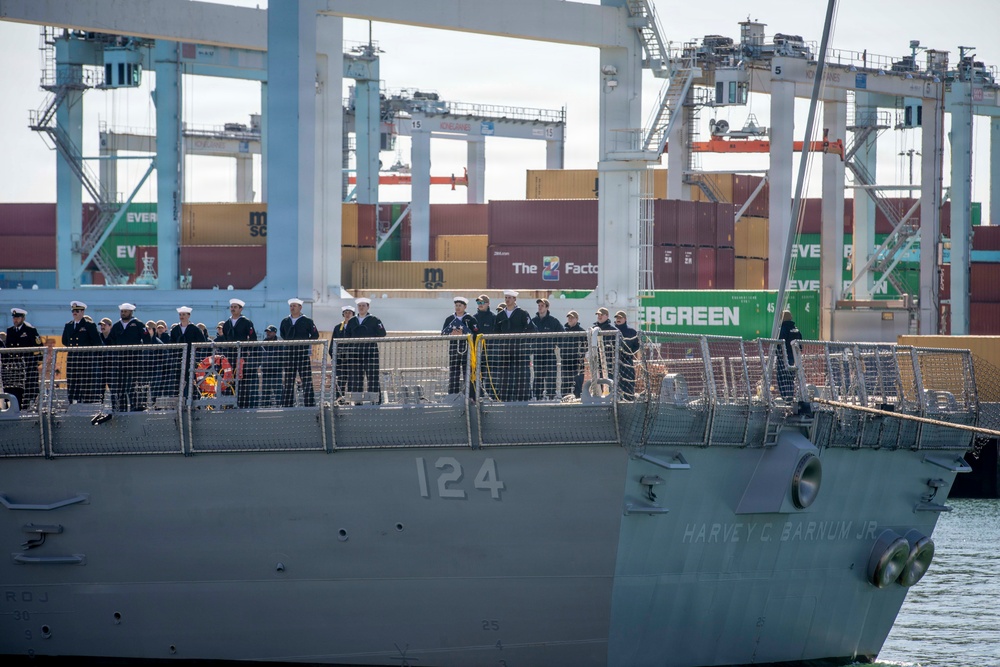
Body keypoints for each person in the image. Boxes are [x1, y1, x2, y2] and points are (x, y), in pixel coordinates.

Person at [107, 302, 152, 412]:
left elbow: (147, 340)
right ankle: (120, 408)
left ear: (131, 312)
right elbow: (110, 341)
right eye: (122, 311)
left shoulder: (138, 324)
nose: (123, 313)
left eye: (125, 311)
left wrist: (141, 354)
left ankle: (135, 407)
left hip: (134, 361)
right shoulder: (117, 326)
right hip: (119, 361)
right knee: (119, 386)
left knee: (133, 385)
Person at [494, 290, 535, 401]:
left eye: (510, 298)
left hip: (520, 350)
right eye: (506, 297)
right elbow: (496, 332)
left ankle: (523, 399)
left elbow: (531, 328)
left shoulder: (522, 313)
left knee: (521, 375)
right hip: (505, 351)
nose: (507, 300)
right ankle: (504, 398)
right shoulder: (500, 315)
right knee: (504, 376)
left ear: (515, 299)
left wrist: (524, 343)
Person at [279, 297, 319, 407]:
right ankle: (287, 404)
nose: (292, 308)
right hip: (289, 355)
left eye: (294, 306)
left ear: (300, 307)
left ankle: (309, 404)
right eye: (291, 306)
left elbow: (315, 335)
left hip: (302, 354)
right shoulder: (285, 321)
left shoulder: (307, 321)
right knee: (288, 381)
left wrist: (305, 343)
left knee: (306, 380)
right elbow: (283, 334)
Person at [61, 300, 103, 404]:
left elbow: (97, 342)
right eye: (73, 311)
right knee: (72, 383)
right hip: (73, 359)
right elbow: (64, 340)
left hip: (86, 360)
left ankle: (87, 404)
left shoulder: (89, 325)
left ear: (82, 312)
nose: (74, 313)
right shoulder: (69, 325)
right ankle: (73, 403)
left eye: (77, 310)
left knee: (86, 384)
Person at [220, 298, 259, 408]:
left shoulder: (246, 322)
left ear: (241, 309)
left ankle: (243, 404)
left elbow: (253, 339)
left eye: (235, 307)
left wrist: (249, 354)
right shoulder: (227, 323)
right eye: (231, 307)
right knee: (229, 379)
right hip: (230, 356)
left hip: (242, 356)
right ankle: (229, 404)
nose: (232, 309)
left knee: (242, 381)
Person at [346, 297, 386, 401]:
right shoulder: (352, 321)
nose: (361, 308)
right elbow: (347, 336)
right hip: (355, 354)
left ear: (368, 307)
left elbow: (382, 333)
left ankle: (375, 400)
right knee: (356, 378)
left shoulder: (374, 320)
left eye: (363, 305)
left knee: (372, 377)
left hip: (370, 353)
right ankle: (357, 401)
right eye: (359, 306)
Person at [4, 307, 42, 410]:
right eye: (14, 317)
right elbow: (8, 350)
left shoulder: (30, 330)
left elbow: (39, 349)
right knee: (14, 391)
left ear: (23, 318)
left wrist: (34, 364)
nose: (15, 320)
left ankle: (27, 407)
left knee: (28, 391)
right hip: (14, 368)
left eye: (18, 317)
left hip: (28, 367)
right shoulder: (10, 331)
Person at [441, 296, 478, 396]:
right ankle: (453, 395)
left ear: (465, 307)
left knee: (468, 373)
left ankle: (470, 395)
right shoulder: (449, 319)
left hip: (467, 350)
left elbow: (476, 334)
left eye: (460, 305)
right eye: (456, 305)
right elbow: (443, 334)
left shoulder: (470, 319)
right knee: (454, 373)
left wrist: (464, 334)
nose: (458, 307)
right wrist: (451, 334)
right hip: (454, 350)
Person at [169, 307, 207, 401]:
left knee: (192, 380)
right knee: (179, 380)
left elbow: (202, 343)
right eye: (180, 315)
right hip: (179, 359)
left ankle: (195, 399)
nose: (182, 317)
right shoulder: (175, 330)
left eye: (184, 314)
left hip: (191, 359)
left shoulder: (194, 329)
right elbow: (171, 344)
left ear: (189, 315)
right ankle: (181, 399)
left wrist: (196, 355)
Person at [530, 298, 562, 400]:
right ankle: (537, 397)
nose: (540, 307)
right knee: (538, 376)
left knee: (551, 376)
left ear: (547, 307)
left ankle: (551, 396)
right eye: (539, 305)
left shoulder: (553, 321)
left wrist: (556, 344)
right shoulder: (533, 321)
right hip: (538, 354)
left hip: (549, 353)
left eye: (542, 305)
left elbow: (562, 334)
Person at [329, 305, 355, 400]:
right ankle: (339, 399)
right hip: (340, 359)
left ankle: (351, 400)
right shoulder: (338, 328)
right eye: (345, 313)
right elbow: (333, 343)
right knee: (340, 380)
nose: (347, 315)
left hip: (352, 358)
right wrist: (333, 356)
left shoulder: (355, 327)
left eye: (349, 313)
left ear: (353, 314)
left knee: (352, 380)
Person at [614, 311, 640, 401]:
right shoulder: (612, 331)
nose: (618, 319)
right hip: (613, 362)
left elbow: (637, 345)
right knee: (614, 383)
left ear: (625, 319)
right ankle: (616, 401)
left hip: (627, 361)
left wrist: (630, 353)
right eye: (617, 318)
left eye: (620, 318)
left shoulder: (631, 331)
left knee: (628, 382)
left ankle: (629, 400)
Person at [777, 310, 803, 402]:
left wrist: (777, 354)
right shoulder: (796, 329)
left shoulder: (783, 329)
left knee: (782, 379)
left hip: (784, 358)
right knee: (791, 380)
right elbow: (800, 345)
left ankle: (786, 399)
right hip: (795, 359)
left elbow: (779, 343)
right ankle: (790, 399)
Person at [561, 310, 586, 398]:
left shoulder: (582, 332)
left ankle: (578, 402)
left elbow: (585, 347)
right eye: (569, 317)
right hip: (565, 363)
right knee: (565, 385)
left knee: (577, 386)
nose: (570, 319)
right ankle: (564, 404)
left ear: (577, 319)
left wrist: (579, 354)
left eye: (572, 317)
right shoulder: (563, 331)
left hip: (577, 363)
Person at [259, 325, 283, 407]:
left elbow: (283, 357)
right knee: (265, 392)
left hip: (277, 371)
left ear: (274, 332)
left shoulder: (280, 343)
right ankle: (265, 407)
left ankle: (280, 407)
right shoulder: (263, 343)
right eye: (267, 332)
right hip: (266, 371)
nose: (268, 333)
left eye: (270, 332)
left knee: (278, 392)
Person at [592, 307, 616, 382]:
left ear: (607, 316)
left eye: (601, 314)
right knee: (597, 384)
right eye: (598, 314)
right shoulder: (593, 330)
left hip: (609, 364)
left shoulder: (613, 331)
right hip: (596, 362)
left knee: (610, 383)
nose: (599, 316)